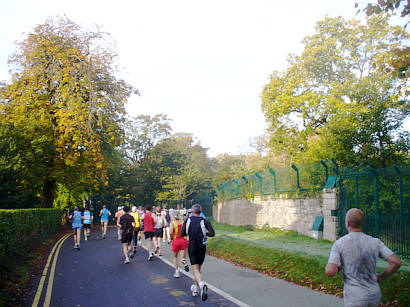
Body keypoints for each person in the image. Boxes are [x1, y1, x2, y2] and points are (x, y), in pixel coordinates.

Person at [326, 208, 402, 307]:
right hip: (374, 294)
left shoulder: (340, 244)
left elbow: (330, 272)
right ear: (362, 223)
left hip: (355, 296)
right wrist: (381, 277)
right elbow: (396, 262)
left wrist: (339, 267)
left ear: (348, 223)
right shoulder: (375, 242)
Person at [181, 204, 215, 301]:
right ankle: (195, 289)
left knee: (195, 269)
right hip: (202, 245)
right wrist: (204, 233)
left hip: (192, 245)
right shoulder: (205, 221)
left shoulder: (188, 220)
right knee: (198, 269)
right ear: (201, 211)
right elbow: (212, 233)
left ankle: (201, 284)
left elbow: (182, 233)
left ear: (192, 211)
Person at [170, 210, 189, 278]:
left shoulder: (173, 223)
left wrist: (170, 239)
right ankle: (184, 263)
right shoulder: (183, 222)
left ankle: (177, 272)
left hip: (176, 241)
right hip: (183, 241)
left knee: (175, 257)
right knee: (183, 257)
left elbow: (170, 232)